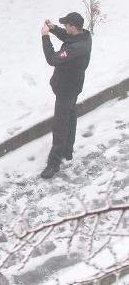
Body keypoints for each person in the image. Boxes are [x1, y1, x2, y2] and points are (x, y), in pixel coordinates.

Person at [39, 12, 92, 179]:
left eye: (66, 25)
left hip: (67, 89)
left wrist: (45, 37)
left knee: (60, 124)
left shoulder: (76, 48)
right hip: (73, 86)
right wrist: (54, 29)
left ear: (74, 27)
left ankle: (54, 163)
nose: (65, 28)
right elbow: (68, 37)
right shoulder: (82, 37)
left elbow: (53, 59)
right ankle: (67, 150)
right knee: (70, 116)